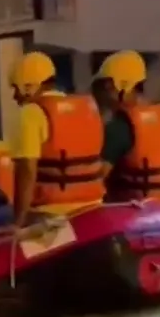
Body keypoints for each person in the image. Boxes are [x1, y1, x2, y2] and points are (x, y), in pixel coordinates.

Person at [9, 51, 106, 227]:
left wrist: (18, 223)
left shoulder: (31, 113)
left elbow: (27, 171)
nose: (14, 96)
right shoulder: (88, 110)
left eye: (16, 88)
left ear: (29, 86)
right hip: (93, 207)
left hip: (51, 213)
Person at [91, 50, 160, 204]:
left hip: (134, 212)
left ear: (120, 85)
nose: (103, 95)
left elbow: (96, 181)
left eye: (106, 87)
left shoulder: (120, 127)